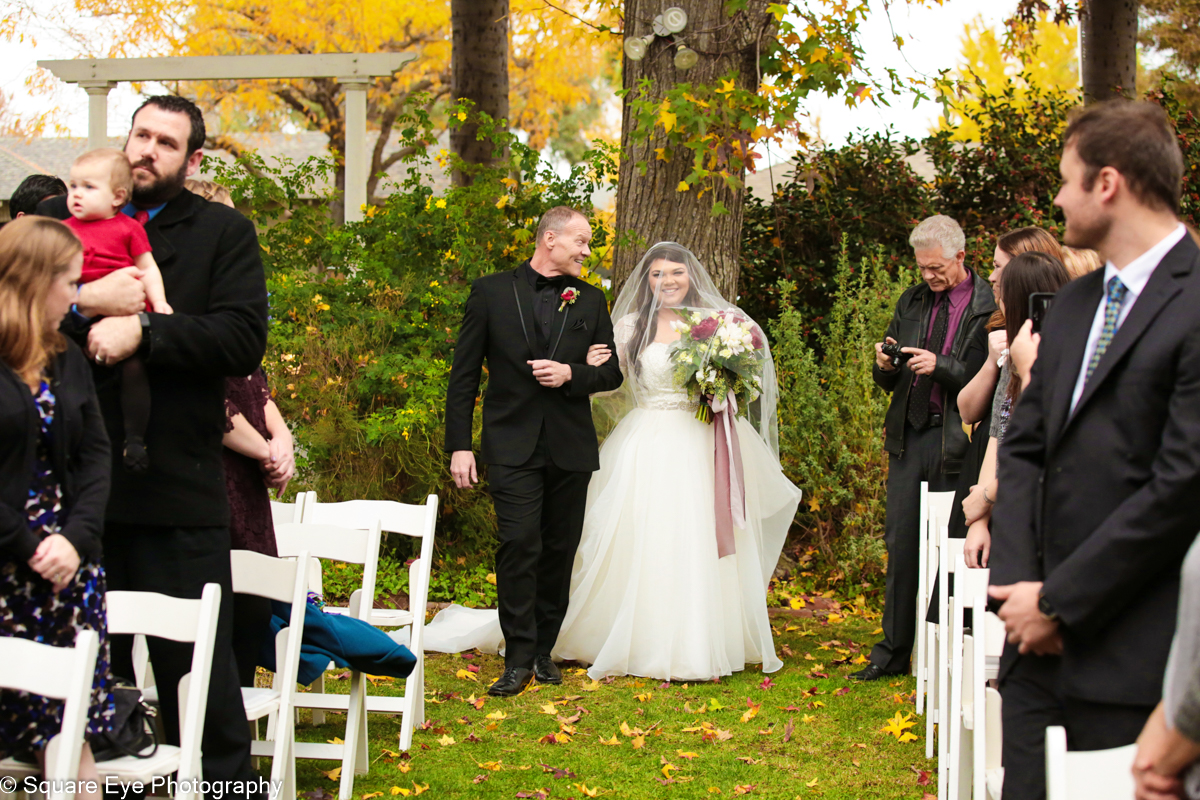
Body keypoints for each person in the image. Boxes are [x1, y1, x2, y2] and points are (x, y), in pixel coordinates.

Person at [38, 95, 268, 795]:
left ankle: (225, 790)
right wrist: (87, 306)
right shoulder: (62, 226)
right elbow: (24, 317)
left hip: (177, 489)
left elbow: (239, 337)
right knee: (78, 683)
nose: (146, 151)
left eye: (165, 142)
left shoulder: (223, 233)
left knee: (199, 684)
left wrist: (146, 331)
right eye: (140, 135)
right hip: (80, 497)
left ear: (191, 160)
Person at [987, 99, 1200, 800]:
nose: (1056, 198)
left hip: (1134, 655)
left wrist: (1064, 602)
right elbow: (1023, 449)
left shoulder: (1194, 301)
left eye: (1065, 178)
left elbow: (1181, 486)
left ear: (1107, 183)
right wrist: (1020, 596)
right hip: (1033, 652)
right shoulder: (1075, 305)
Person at [549, 243, 802, 681]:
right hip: (647, 439)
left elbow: (745, 377)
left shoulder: (718, 324)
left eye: (675, 273)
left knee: (698, 536)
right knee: (643, 534)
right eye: (656, 275)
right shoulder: (631, 326)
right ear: (646, 282)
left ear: (691, 277)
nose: (666, 281)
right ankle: (632, 635)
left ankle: (700, 640)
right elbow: (610, 384)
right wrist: (586, 368)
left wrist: (724, 383)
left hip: (704, 441)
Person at [444, 205, 624, 697]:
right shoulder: (491, 292)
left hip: (570, 446)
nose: (587, 251)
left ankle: (545, 649)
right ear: (550, 239)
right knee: (519, 544)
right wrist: (460, 446)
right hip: (510, 444)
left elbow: (611, 375)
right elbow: (462, 379)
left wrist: (573, 374)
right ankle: (518, 657)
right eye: (581, 241)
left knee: (559, 551)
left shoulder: (591, 300)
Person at [853, 214, 997, 681]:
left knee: (953, 547)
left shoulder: (986, 304)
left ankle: (948, 654)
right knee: (901, 543)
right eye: (922, 268)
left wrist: (941, 366)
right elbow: (886, 380)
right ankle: (891, 654)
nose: (929, 277)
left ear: (961, 255)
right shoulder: (912, 299)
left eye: (937, 268)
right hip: (908, 435)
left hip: (958, 438)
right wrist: (883, 365)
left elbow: (986, 380)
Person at [0, 216, 111, 799]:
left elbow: (96, 456)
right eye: (69, 282)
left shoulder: (66, 355)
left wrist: (75, 538)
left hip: (70, 574)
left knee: (72, 744)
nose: (76, 294)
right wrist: (28, 545)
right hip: (9, 573)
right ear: (32, 280)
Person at [64, 148, 173, 474]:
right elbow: (50, 278)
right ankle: (73, 439)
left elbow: (148, 268)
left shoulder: (128, 229)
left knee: (134, 370)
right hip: (77, 319)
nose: (76, 195)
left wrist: (161, 301)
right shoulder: (62, 230)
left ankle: (134, 438)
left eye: (88, 187)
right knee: (72, 373)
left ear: (117, 197)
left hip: (125, 314)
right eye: (72, 186)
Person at [960, 252, 1071, 569]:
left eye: (1003, 292)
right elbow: (999, 432)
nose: (997, 296)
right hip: (1008, 500)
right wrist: (979, 518)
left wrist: (987, 497)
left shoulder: (1065, 349)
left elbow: (1045, 440)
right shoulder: (1014, 348)